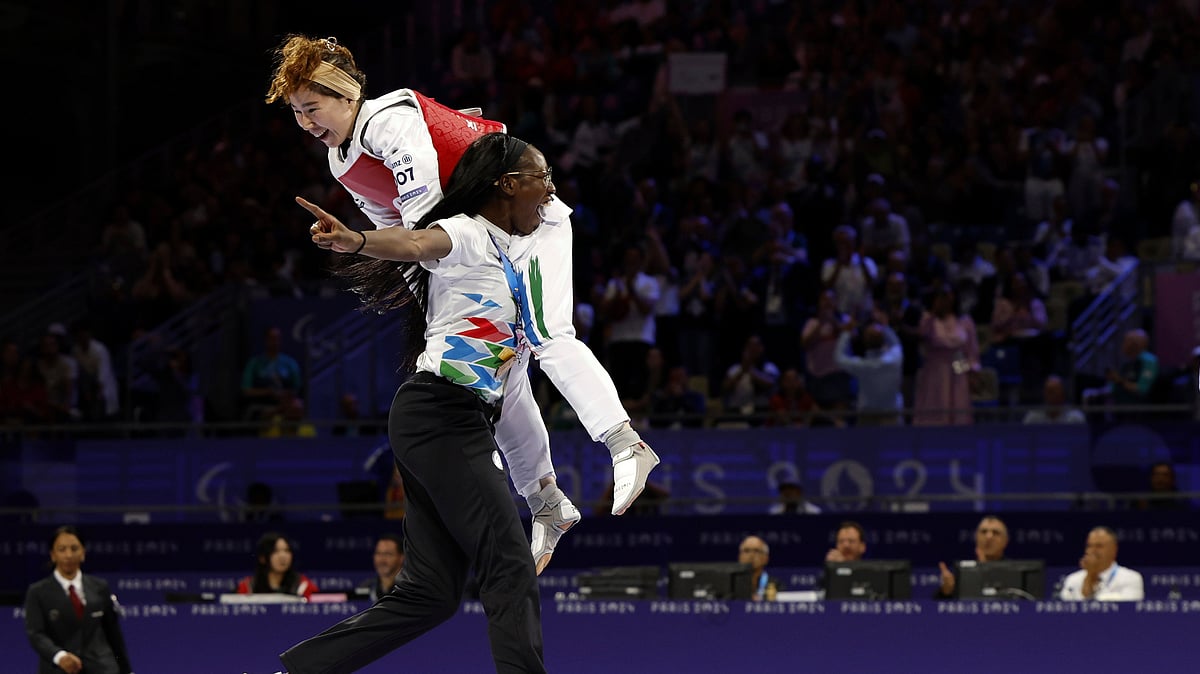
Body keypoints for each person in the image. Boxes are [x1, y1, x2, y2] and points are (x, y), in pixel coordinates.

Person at [266, 35, 659, 573]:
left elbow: (423, 208)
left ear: (348, 93)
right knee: (501, 372)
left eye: (312, 108)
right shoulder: (341, 162)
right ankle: (548, 503)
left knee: (549, 335)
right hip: (475, 238)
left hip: (523, 215)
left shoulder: (387, 117)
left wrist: (396, 248)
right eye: (296, 113)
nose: (307, 123)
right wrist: (428, 303)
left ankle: (625, 444)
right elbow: (397, 233)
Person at [280, 133, 557, 673]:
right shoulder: (469, 233)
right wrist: (356, 241)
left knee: (431, 592)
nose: (549, 190)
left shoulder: (514, 256)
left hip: (447, 418)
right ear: (507, 185)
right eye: (541, 177)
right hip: (442, 414)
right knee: (508, 565)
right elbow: (414, 244)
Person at [23, 525, 133, 674]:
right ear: (53, 555)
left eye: (74, 549)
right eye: (62, 549)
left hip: (102, 669)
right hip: (59, 669)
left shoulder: (100, 587)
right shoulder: (37, 592)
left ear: (83, 553)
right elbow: (36, 634)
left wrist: (126, 671)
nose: (68, 555)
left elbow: (114, 635)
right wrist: (60, 656)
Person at [832, 321, 903, 425]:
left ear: (864, 342)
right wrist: (885, 326)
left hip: (868, 417)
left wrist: (846, 333)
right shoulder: (894, 359)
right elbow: (897, 345)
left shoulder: (861, 366)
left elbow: (839, 358)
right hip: (891, 415)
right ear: (883, 340)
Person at [1059, 527, 1144, 601]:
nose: (1092, 551)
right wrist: (1090, 575)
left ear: (1114, 549)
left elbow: (1127, 611)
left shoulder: (1131, 578)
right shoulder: (1072, 580)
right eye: (1089, 546)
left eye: (1099, 546)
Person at [934, 515, 1009, 599]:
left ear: (1005, 541)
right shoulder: (963, 573)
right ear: (976, 537)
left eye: (995, 532)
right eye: (984, 532)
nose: (989, 537)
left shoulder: (1013, 572)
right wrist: (946, 591)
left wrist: (985, 569)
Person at [236, 532, 318, 600]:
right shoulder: (248, 587)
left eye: (287, 550)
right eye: (275, 551)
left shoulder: (304, 586)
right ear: (263, 558)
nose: (283, 556)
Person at [356, 534, 405, 603]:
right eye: (378, 553)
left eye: (388, 554)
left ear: (401, 558)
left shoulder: (409, 590)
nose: (381, 560)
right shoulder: (365, 588)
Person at [738, 536, 775, 601]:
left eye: (756, 551)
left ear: (766, 558)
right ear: (740, 557)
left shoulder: (776, 586)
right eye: (747, 551)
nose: (751, 555)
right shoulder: (731, 587)